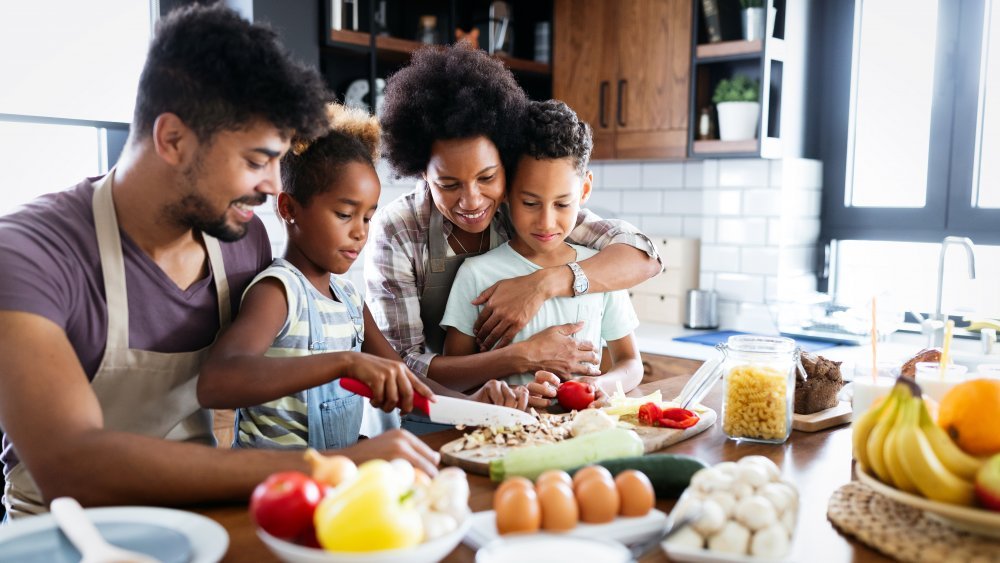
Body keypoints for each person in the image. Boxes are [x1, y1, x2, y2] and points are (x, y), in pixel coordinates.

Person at [0, 5, 437, 519]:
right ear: (172, 140)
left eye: (277, 161)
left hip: (200, 517)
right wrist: (329, 466)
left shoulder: (241, 242)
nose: (274, 186)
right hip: (63, 537)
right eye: (256, 161)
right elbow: (72, 467)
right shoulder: (26, 255)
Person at [197, 104, 532, 451]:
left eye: (368, 217)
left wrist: (475, 404)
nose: (360, 233)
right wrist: (346, 362)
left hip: (334, 481)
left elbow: (405, 378)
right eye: (345, 214)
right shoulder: (279, 292)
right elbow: (217, 381)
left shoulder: (349, 299)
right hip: (274, 486)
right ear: (288, 209)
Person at [367, 44, 662, 398]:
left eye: (487, 177)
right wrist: (520, 357)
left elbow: (643, 255)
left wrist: (543, 284)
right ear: (421, 173)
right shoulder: (398, 230)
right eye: (448, 184)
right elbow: (402, 365)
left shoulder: (527, 210)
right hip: (421, 417)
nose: (472, 201)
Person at [440, 100, 643, 401]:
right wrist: (509, 393)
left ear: (585, 190)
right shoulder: (477, 274)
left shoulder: (600, 271)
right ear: (506, 191)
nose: (547, 222)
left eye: (562, 204)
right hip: (502, 437)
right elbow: (452, 379)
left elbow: (631, 363)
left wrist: (601, 387)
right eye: (531, 203)